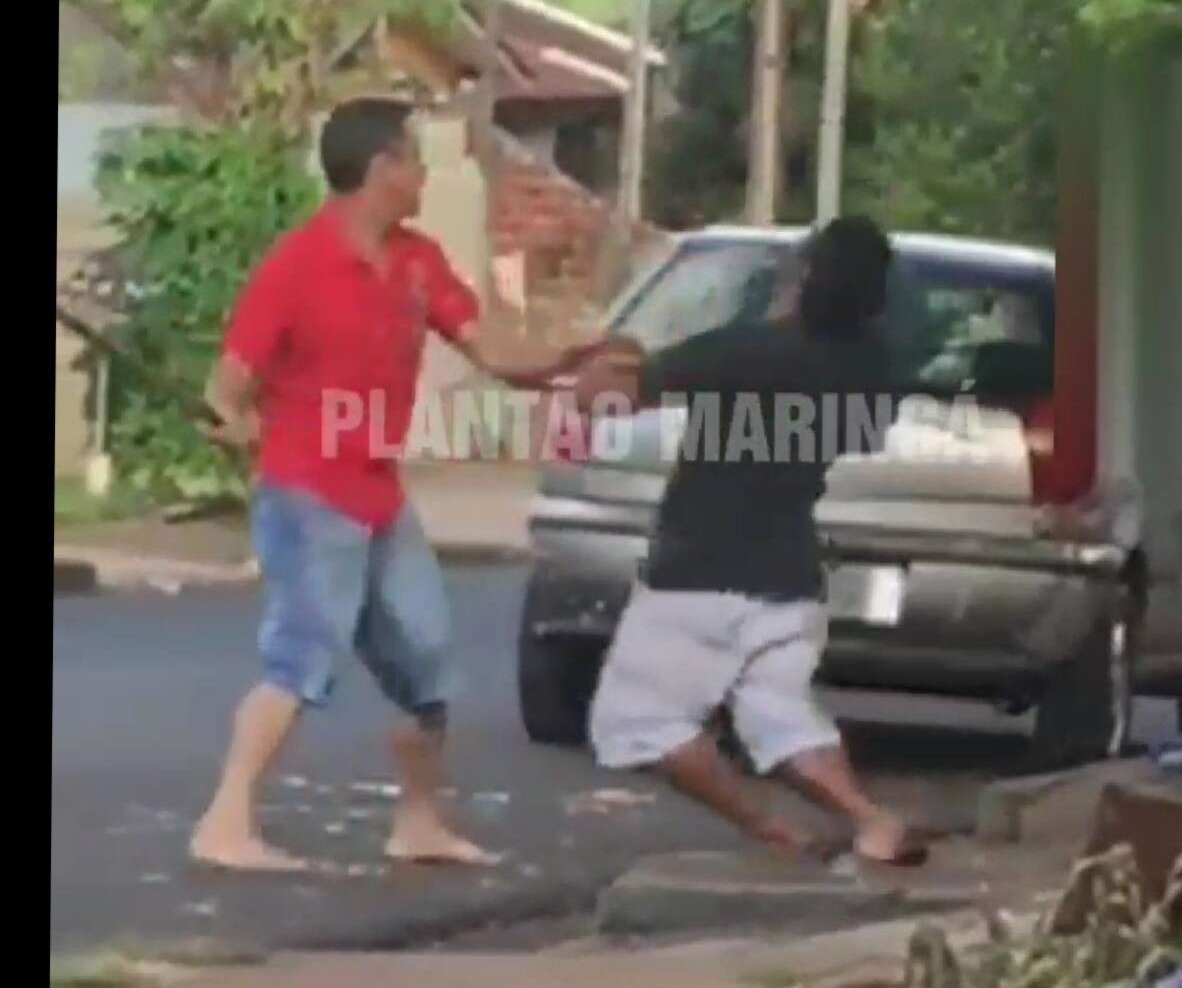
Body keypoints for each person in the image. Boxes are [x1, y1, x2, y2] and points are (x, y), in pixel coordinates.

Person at [191, 98, 598, 871]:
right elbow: (229, 380)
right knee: (302, 659)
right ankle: (224, 823)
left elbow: (493, 353)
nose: (422, 174)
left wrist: (570, 358)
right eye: (413, 158)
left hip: (379, 495)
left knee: (428, 663)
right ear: (380, 168)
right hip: (307, 490)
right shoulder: (297, 265)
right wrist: (236, 419)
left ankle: (418, 824)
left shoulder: (418, 261)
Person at [570, 217, 927, 865]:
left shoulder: (743, 351)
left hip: (696, 572)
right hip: (788, 575)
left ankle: (766, 826)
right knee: (779, 717)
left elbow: (603, 400)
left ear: (802, 280)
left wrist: (606, 353)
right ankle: (871, 822)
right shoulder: (873, 368)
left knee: (637, 724)